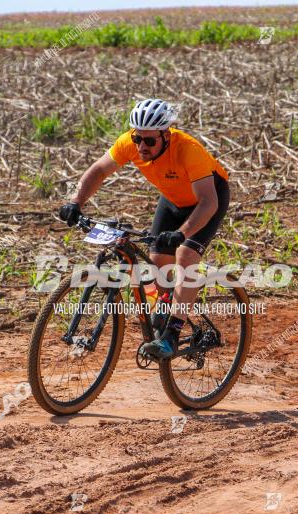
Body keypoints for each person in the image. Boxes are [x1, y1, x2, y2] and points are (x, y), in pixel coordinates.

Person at [59, 99, 230, 359]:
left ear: (166, 136)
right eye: (138, 138)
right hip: (173, 200)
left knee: (185, 256)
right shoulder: (130, 143)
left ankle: (172, 334)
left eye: (149, 141)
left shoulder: (188, 150)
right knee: (158, 262)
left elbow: (209, 203)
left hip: (207, 201)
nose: (141, 147)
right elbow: (98, 171)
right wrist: (75, 202)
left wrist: (182, 234)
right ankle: (165, 308)